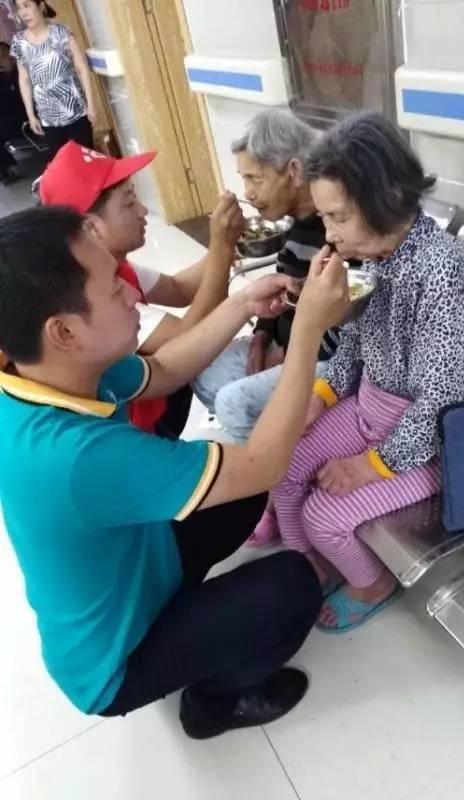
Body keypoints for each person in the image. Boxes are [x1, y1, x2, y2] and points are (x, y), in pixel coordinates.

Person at [0, 205, 349, 735]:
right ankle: (210, 706)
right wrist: (307, 332)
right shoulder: (74, 456)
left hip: (140, 567)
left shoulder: (42, 372)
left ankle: (189, 619)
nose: (130, 291)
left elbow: (162, 370)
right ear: (63, 330)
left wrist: (241, 304)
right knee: (292, 584)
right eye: (112, 287)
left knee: (235, 491)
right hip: (115, 661)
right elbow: (263, 464)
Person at [271, 111, 464, 633]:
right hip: (372, 410)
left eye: (337, 218)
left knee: (322, 514)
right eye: (324, 218)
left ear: (386, 199)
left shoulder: (440, 270)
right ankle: (309, 562)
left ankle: (370, 582)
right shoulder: (377, 256)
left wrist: (371, 466)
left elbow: (441, 401)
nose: (328, 235)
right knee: (281, 465)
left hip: (433, 442)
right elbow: (354, 344)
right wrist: (320, 397)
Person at [194, 110, 341, 543]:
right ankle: (283, 450)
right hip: (289, 349)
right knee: (204, 369)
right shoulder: (297, 229)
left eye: (255, 179)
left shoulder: (338, 227)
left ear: (293, 171)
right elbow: (281, 287)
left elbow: (347, 328)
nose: (247, 193)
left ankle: (276, 494)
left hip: (329, 359)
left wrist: (290, 357)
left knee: (234, 401)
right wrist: (261, 334)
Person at [40, 140, 245, 437]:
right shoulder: (95, 298)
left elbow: (178, 288)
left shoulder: (114, 265)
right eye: (129, 203)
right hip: (137, 428)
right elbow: (193, 333)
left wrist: (223, 242)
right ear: (91, 228)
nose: (143, 210)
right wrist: (222, 250)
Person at [10, 0, 95, 158]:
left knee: (87, 161)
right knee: (62, 165)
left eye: (27, 5)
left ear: (41, 6)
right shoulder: (19, 42)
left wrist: (91, 105)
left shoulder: (61, 32)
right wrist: (31, 115)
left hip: (77, 112)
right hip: (48, 118)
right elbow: (24, 80)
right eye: (19, 8)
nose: (23, 13)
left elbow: (81, 68)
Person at [0, 40, 26, 184]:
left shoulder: (23, 73)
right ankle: (7, 168)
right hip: (8, 123)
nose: (5, 59)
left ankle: (10, 168)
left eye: (5, 55)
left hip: (26, 122)